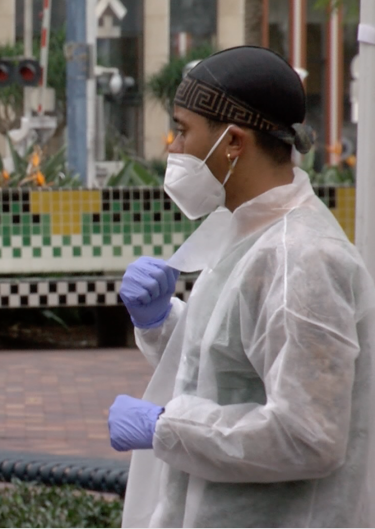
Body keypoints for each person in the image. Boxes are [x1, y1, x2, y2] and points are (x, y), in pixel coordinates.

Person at [107, 46, 375, 527]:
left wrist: (166, 427)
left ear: (232, 142)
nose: (174, 148)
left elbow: (307, 435)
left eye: (183, 130)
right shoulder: (249, 232)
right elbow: (232, 364)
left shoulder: (302, 257)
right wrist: (160, 322)